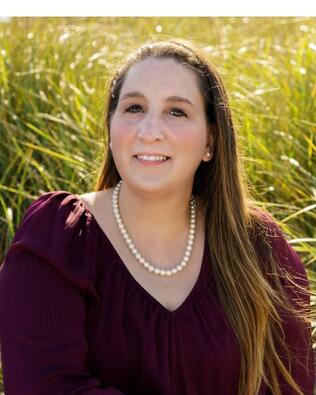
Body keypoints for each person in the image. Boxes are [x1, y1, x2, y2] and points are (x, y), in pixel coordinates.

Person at [0, 38, 314, 395]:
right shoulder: (58, 238)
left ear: (210, 140)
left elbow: (292, 384)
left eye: (176, 111)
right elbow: (45, 387)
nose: (149, 132)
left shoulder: (258, 246)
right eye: (134, 108)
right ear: (111, 128)